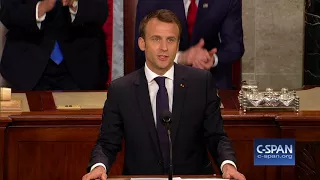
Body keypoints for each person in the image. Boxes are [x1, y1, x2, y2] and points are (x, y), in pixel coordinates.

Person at [83, 9, 245, 180]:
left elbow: (216, 136)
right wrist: (99, 166)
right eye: (156, 39)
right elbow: (107, 143)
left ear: (177, 44)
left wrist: (228, 164)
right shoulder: (121, 89)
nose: (164, 48)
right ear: (142, 43)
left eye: (171, 40)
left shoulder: (201, 82)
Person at [0, 0, 109, 90]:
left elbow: (101, 12)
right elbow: (7, 12)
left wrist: (75, 5)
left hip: (83, 68)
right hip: (27, 68)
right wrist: (40, 8)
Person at [134, 0, 245, 89]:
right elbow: (142, 50)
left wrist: (212, 58)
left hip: (212, 80)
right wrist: (181, 57)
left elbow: (234, 46)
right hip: (162, 80)